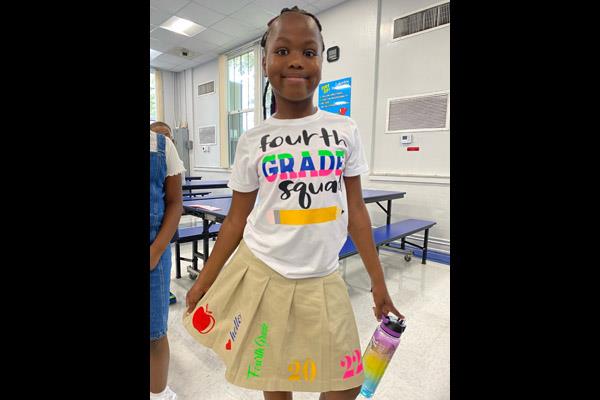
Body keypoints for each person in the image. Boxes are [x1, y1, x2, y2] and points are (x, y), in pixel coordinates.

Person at [183, 6, 404, 400]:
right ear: (265, 62)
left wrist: (378, 283)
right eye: (282, 51)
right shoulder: (252, 140)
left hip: (324, 275)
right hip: (265, 273)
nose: (296, 62)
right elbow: (236, 220)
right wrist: (205, 279)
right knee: (276, 377)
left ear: (321, 58)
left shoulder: (344, 129)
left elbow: (355, 211)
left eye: (309, 51)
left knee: (347, 382)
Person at [150, 129, 185, 399]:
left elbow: (174, 203)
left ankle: (159, 393)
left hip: (153, 255)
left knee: (154, 333)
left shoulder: (162, 147)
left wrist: (156, 250)